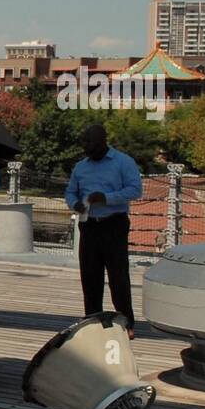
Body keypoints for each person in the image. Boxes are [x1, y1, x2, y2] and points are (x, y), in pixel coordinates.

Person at [66, 124, 142, 338]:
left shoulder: (123, 162)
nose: (87, 148)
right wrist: (75, 204)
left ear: (103, 142)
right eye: (84, 145)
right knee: (90, 276)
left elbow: (135, 190)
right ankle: (92, 322)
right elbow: (70, 192)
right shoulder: (80, 167)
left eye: (91, 144)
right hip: (89, 224)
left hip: (113, 223)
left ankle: (126, 323)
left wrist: (107, 198)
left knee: (118, 276)